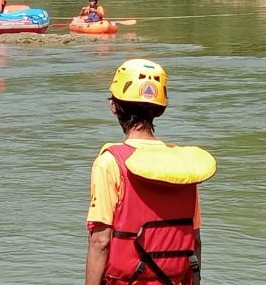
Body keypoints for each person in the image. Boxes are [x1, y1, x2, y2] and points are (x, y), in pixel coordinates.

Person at [85, 59, 216, 285]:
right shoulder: (183, 163)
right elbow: (195, 240)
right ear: (159, 109)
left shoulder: (109, 163)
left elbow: (101, 242)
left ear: (113, 106)